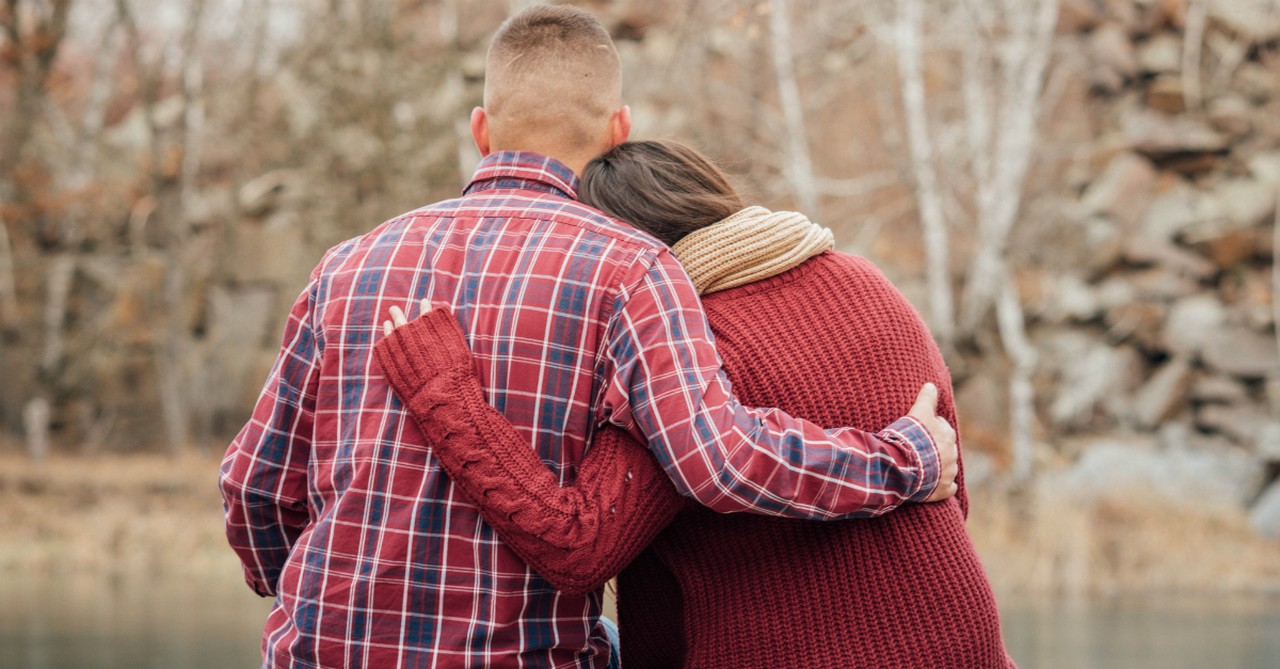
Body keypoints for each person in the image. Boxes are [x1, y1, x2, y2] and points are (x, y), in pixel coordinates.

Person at [220, 6, 956, 668]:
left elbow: (252, 487)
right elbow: (721, 462)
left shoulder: (347, 265)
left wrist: (315, 601)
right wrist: (903, 459)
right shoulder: (635, 269)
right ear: (617, 131)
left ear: (481, 128)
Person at [374, 140, 1013, 668]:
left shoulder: (685, 347)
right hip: (971, 646)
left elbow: (578, 543)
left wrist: (446, 395)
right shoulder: (868, 281)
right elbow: (953, 496)